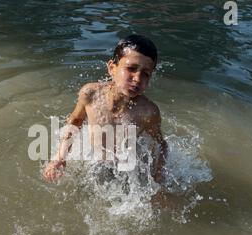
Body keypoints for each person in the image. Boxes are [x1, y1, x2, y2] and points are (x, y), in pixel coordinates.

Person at [43, 34, 168, 187]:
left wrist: (158, 180)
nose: (137, 78)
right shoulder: (91, 94)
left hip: (126, 169)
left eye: (146, 74)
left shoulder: (148, 112)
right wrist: (60, 159)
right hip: (95, 163)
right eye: (131, 69)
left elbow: (161, 145)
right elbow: (74, 123)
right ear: (112, 68)